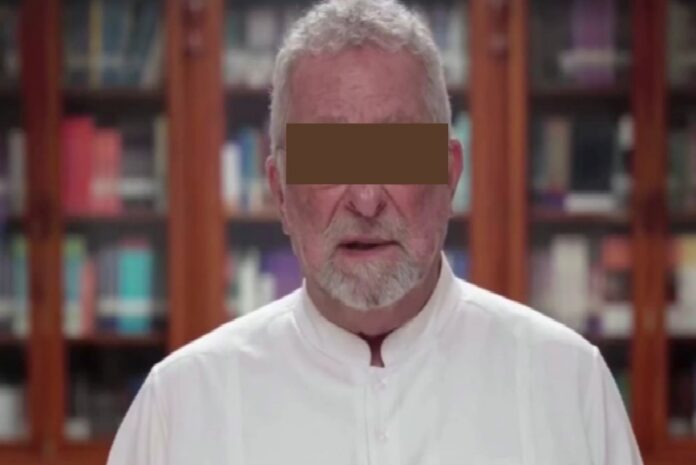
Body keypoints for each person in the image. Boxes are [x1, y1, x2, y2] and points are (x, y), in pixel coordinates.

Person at [107, 0, 643, 463]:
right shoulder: (181, 408)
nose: (365, 199)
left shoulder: (567, 386)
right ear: (279, 191)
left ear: (449, 176)